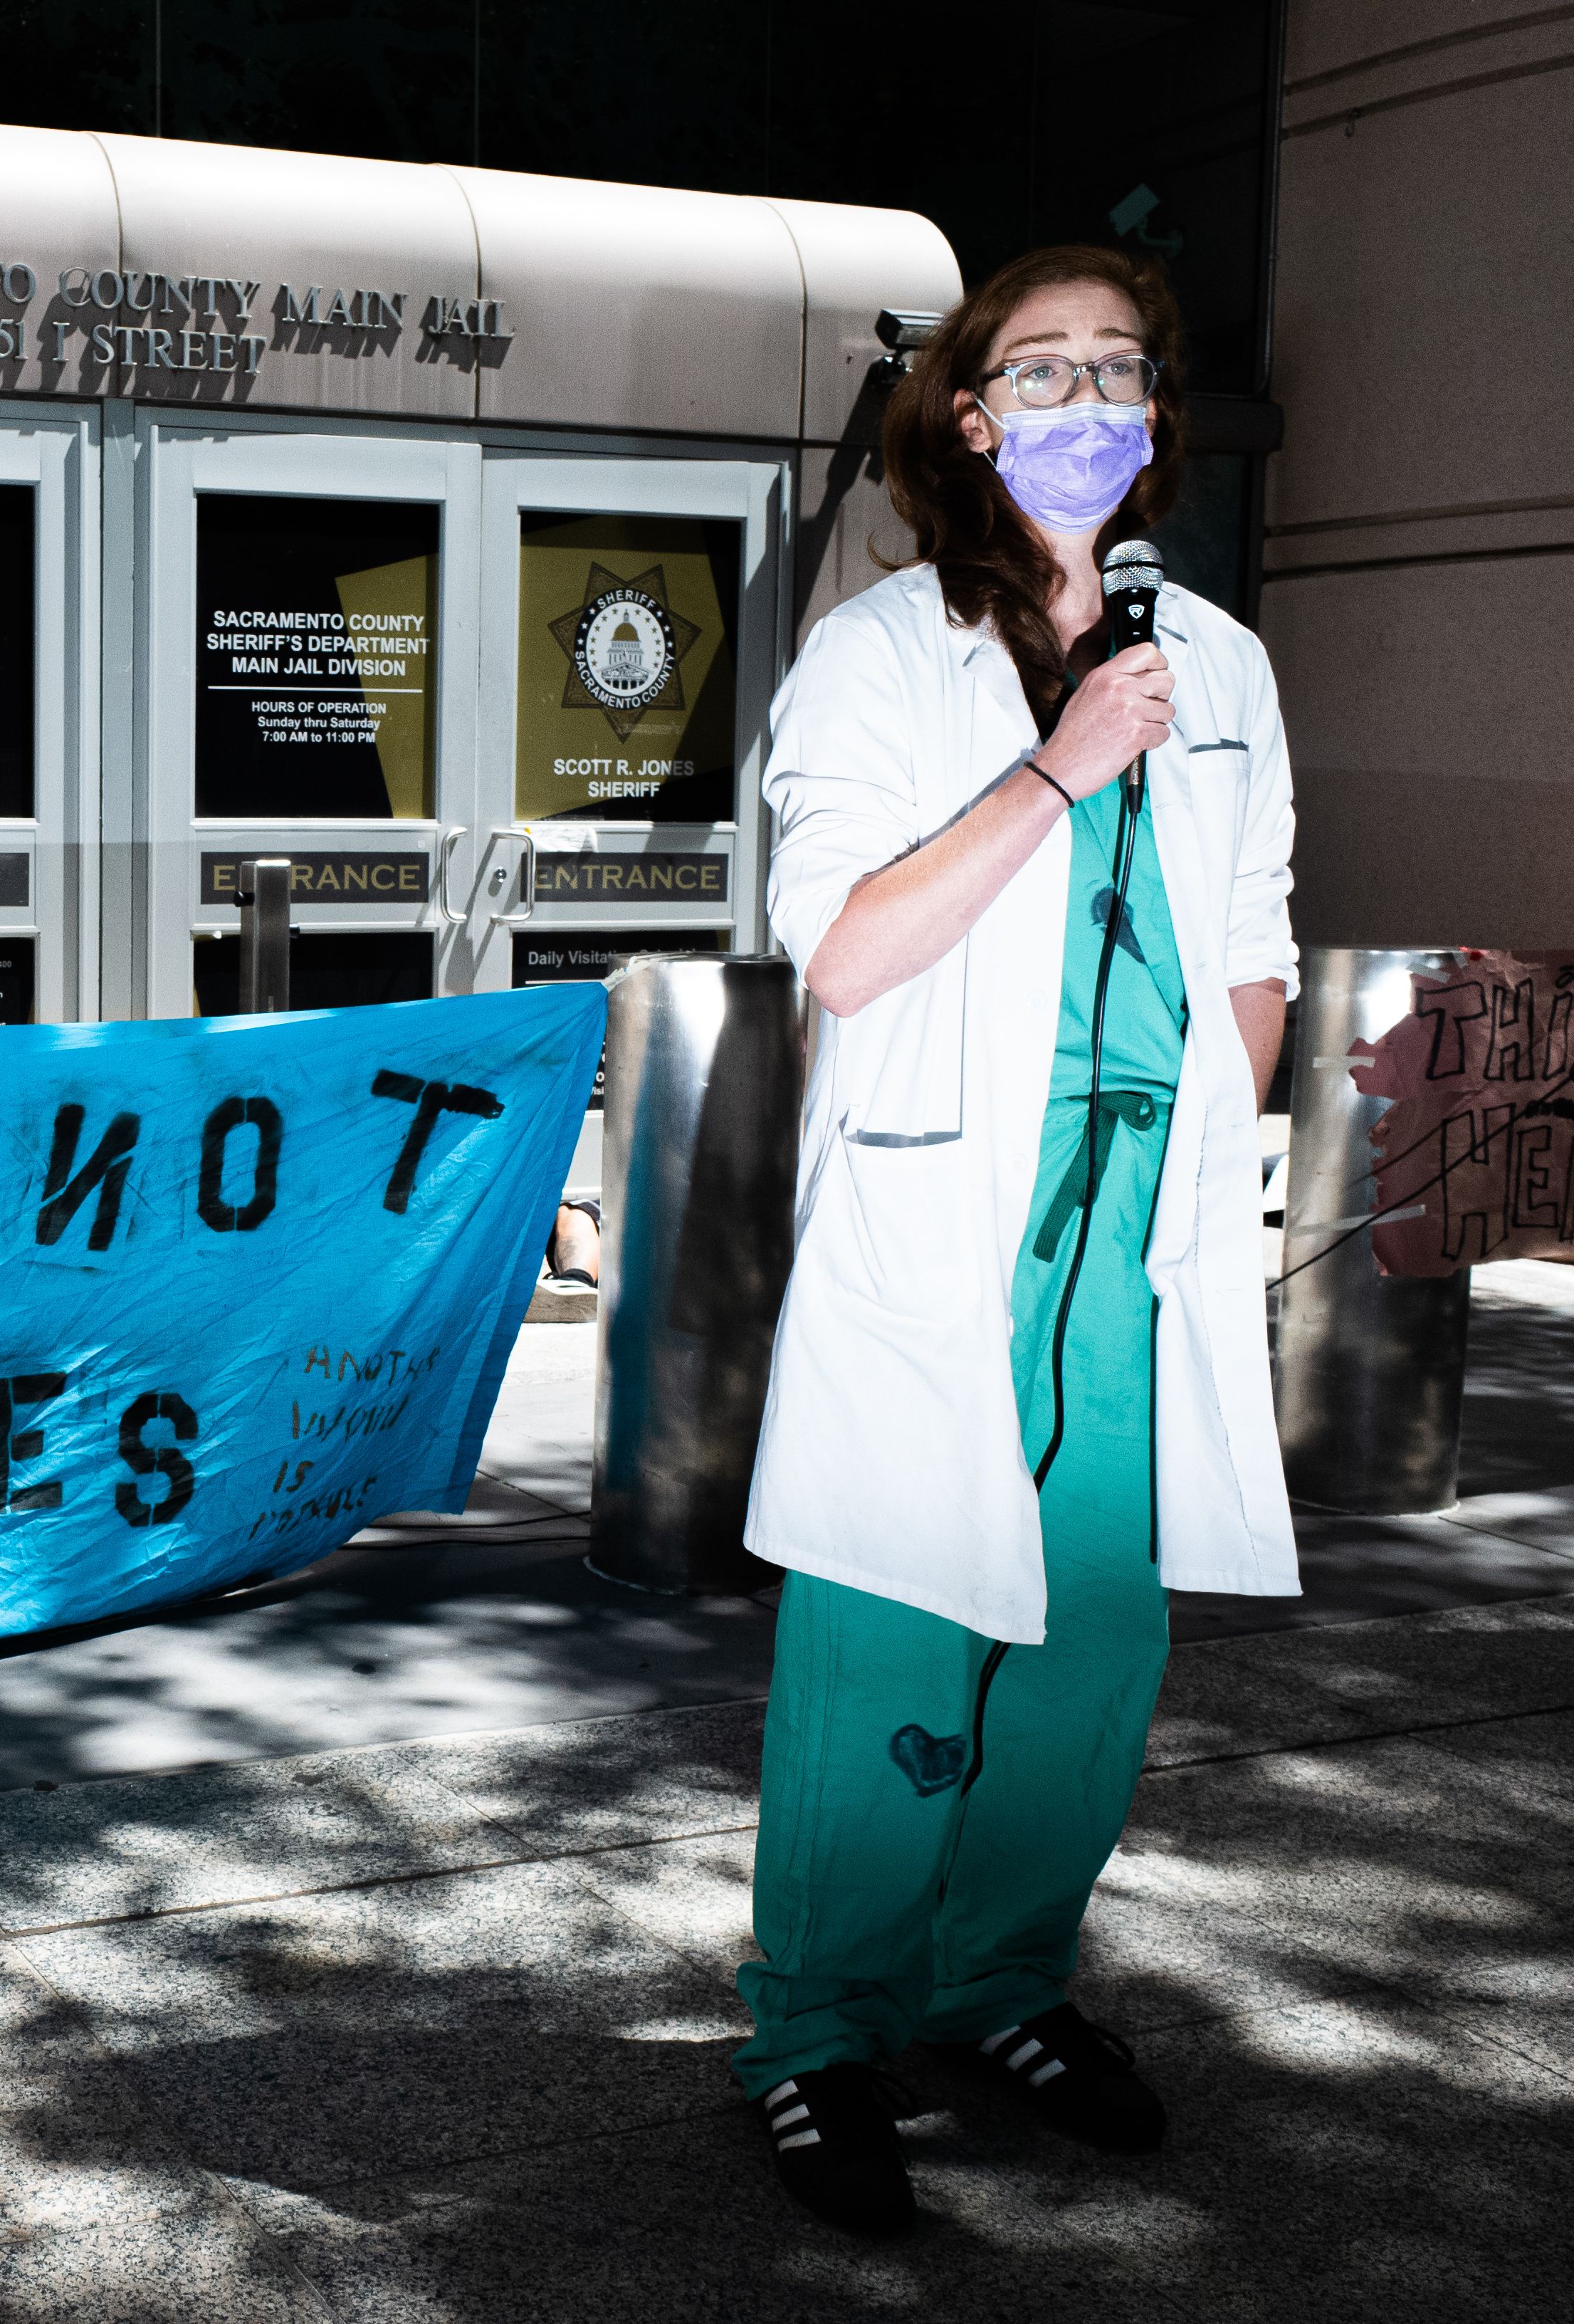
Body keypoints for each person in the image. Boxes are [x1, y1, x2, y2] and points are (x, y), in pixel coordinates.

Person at [734, 246, 1298, 2236]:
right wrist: (1061, 765)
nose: (1084, 402)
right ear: (971, 419)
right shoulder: (885, 653)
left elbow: (1254, 942)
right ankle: (817, 2032)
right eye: (1038, 372)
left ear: (1155, 416)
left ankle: (1002, 1986)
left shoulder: (1217, 660)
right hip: (947, 1206)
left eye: (1117, 370)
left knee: (1092, 1645)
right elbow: (848, 947)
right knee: (892, 1624)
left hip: (1140, 1223)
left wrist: (1214, 1154)